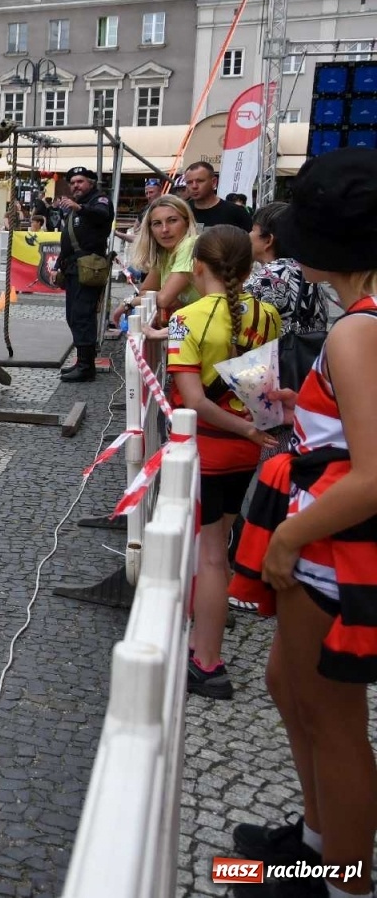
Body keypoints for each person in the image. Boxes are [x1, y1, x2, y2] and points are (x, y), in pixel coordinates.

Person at [228, 149, 377, 894]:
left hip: (328, 550)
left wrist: (287, 538)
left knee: (334, 720)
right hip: (329, 543)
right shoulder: (361, 323)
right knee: (291, 688)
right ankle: (318, 843)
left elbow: (375, 473)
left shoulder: (358, 330)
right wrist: (305, 408)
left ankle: (343, 880)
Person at [158, 225, 281, 699]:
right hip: (246, 446)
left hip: (208, 442)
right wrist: (251, 430)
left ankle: (206, 659)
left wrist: (243, 429)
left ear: (198, 268)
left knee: (209, 552)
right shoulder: (267, 314)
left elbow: (191, 399)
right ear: (249, 269)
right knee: (220, 539)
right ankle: (201, 626)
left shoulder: (188, 318)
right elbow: (259, 389)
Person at [54, 167, 114, 382]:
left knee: (83, 316)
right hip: (73, 267)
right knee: (73, 316)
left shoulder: (99, 200)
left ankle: (87, 367)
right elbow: (68, 241)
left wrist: (79, 207)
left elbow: (102, 215)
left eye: (79, 182)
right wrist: (57, 266)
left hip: (89, 267)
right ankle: (82, 362)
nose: (75, 186)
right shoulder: (75, 208)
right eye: (72, 183)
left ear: (90, 182)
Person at [112, 195, 200, 330]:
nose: (164, 229)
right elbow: (146, 291)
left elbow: (163, 298)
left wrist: (129, 302)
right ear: (150, 229)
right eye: (157, 223)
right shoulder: (165, 251)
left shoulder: (190, 244)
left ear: (187, 222)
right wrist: (167, 300)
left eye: (172, 220)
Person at [246, 200, 329, 336]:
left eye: (253, 230)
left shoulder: (270, 276)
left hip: (277, 355)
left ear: (268, 240)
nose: (248, 235)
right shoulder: (306, 272)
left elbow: (230, 312)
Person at [116, 179, 166, 284]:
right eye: (146, 193)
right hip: (147, 258)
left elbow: (140, 236)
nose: (148, 196)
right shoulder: (146, 209)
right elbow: (136, 229)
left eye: (151, 192)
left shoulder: (165, 207)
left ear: (160, 191)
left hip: (161, 257)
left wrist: (118, 234)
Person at [183, 161, 253, 231]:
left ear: (214, 182)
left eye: (200, 181)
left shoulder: (236, 212)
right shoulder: (182, 211)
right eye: (189, 182)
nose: (194, 186)